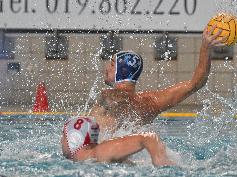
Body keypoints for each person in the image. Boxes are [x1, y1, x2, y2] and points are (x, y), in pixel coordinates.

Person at [90, 26, 226, 133]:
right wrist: (205, 47)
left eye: (112, 64)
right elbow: (196, 83)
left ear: (122, 71)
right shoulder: (151, 102)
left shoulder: (107, 95)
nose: (107, 67)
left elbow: (91, 131)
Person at [61, 116, 174, 166]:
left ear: (74, 138)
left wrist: (160, 160)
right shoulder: (87, 159)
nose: (61, 141)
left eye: (64, 135)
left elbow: (148, 137)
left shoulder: (99, 152)